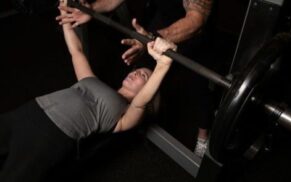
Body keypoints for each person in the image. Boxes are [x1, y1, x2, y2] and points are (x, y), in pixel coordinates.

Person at [0, 1, 177, 181]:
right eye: (137, 70)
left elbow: (141, 102)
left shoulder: (126, 116)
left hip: (50, 136)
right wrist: (65, 16)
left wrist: (162, 65)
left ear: (148, 91)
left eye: (144, 77)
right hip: (31, 111)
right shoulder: (92, 81)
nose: (136, 73)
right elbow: (76, 52)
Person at [56, 0, 214, 158]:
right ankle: (139, 114)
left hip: (192, 33)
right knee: (143, 70)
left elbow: (196, 21)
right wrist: (92, 9)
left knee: (198, 87)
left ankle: (203, 134)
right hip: (162, 23)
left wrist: (154, 38)